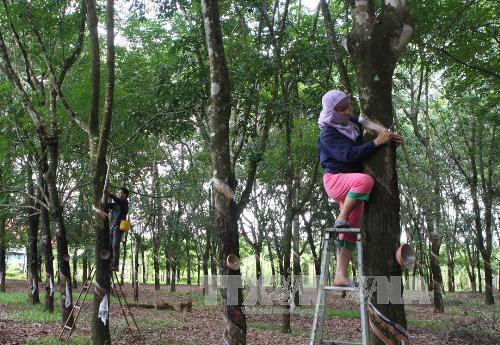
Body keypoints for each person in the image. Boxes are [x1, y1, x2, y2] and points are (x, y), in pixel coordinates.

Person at [318, 90, 402, 287]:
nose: (347, 111)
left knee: (351, 229)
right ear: (332, 111)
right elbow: (348, 155)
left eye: (348, 106)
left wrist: (388, 135)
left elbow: (365, 121)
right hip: (336, 180)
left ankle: (340, 274)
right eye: (342, 109)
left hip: (350, 186)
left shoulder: (350, 123)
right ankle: (341, 217)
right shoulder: (328, 132)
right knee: (365, 181)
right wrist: (376, 142)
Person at [108, 187, 129, 271]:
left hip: (119, 226)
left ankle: (115, 265)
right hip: (112, 226)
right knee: (109, 246)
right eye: (118, 193)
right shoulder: (116, 204)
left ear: (125, 195)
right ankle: (109, 263)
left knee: (115, 245)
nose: (118, 194)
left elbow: (118, 201)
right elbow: (106, 205)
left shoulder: (124, 203)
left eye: (120, 193)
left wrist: (110, 194)